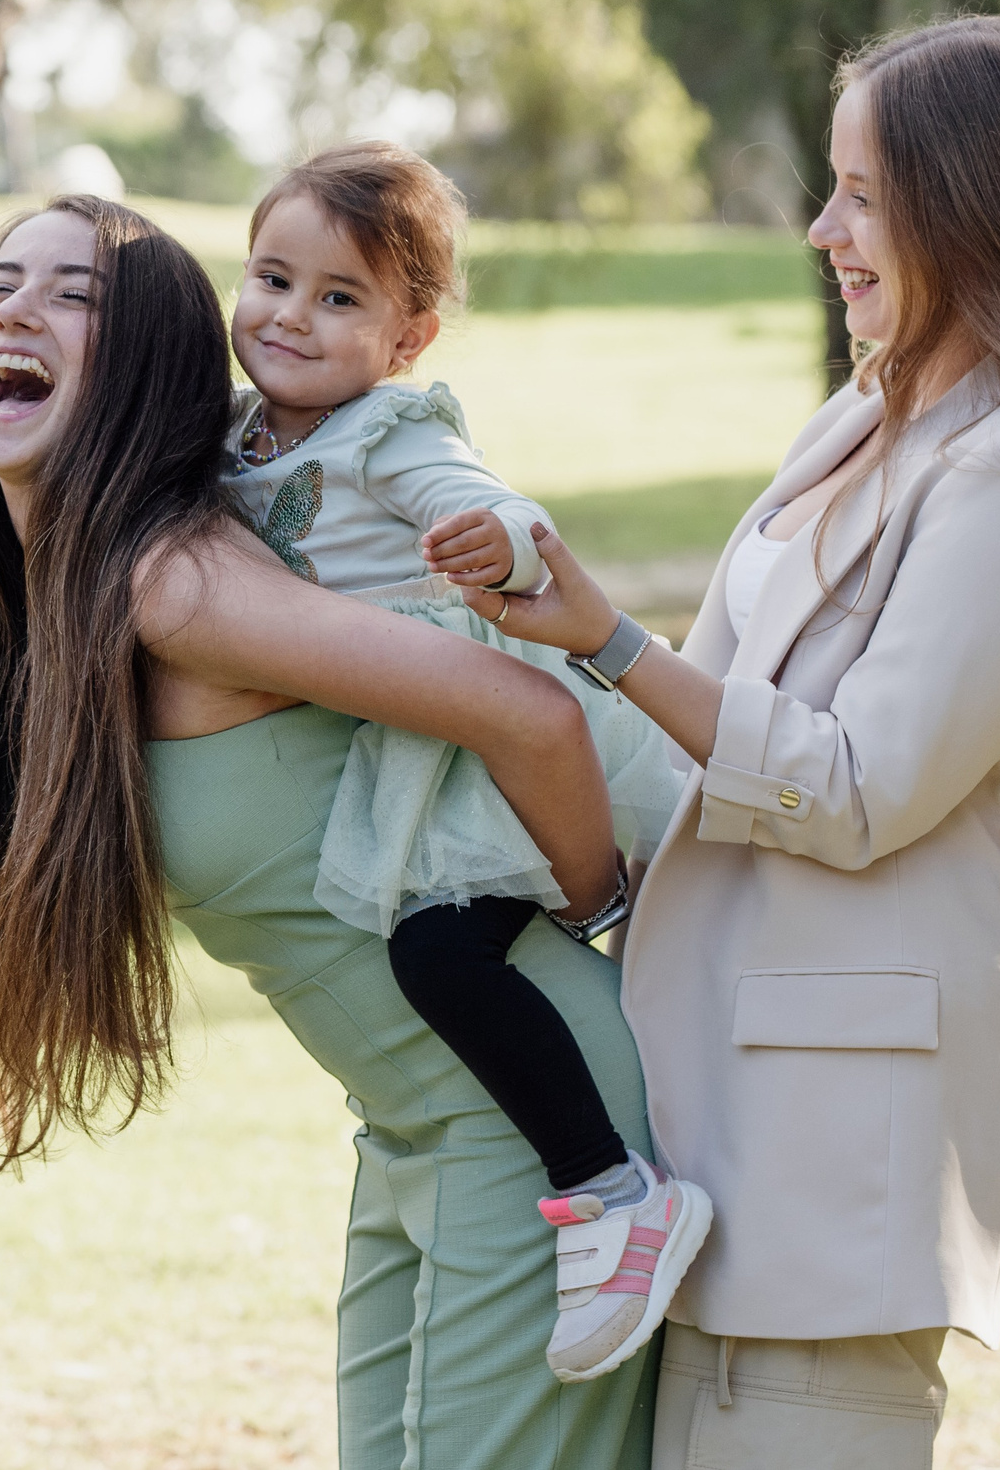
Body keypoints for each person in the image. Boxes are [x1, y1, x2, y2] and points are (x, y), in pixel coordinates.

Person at [472, 16, 1000, 1467]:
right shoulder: (862, 419)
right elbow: (723, 728)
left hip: (839, 1164)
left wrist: (610, 645)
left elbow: (860, 786)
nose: (822, 228)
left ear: (972, 207)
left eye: (863, 193)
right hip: (718, 1115)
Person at [0, 192, 667, 1468]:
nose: (17, 311)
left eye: (73, 296)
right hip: (410, 1124)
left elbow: (529, 713)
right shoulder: (60, 597)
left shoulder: (177, 584)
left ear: (145, 360)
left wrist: (613, 924)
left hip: (525, 1124)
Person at [224, 141, 702, 1383]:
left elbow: (496, 502)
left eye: (340, 299)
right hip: (419, 738)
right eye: (272, 278)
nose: (290, 316)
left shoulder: (389, 429)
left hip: (486, 741)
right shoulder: (238, 439)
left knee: (439, 951)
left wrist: (501, 542)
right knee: (499, 951)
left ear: (410, 334)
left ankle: (610, 1190)